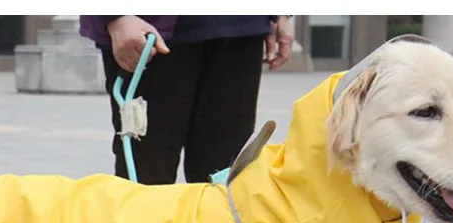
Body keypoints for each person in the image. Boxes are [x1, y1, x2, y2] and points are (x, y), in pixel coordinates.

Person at [79, 16, 295, 184]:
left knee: (225, 183)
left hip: (239, 28)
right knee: (146, 180)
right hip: (149, 32)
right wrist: (116, 16)